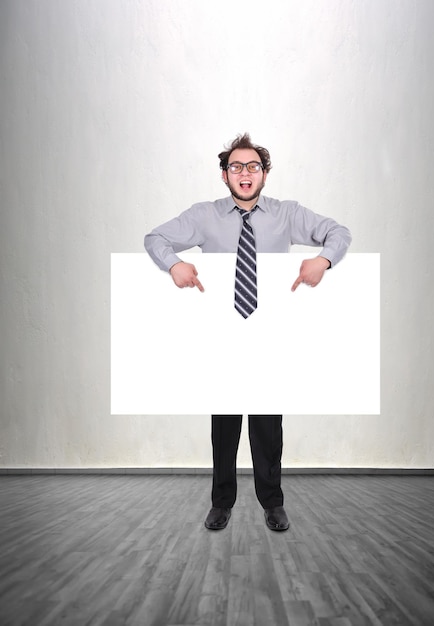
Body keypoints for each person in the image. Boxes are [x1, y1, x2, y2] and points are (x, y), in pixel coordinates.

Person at [144, 133, 351, 531]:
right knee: (224, 427)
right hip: (223, 338)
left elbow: (338, 232)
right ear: (225, 175)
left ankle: (272, 503)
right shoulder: (204, 215)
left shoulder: (286, 214)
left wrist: (323, 260)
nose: (245, 173)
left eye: (253, 166)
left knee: (267, 426)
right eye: (236, 167)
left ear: (264, 175)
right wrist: (173, 265)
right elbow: (156, 238)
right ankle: (221, 503)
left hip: (268, 339)